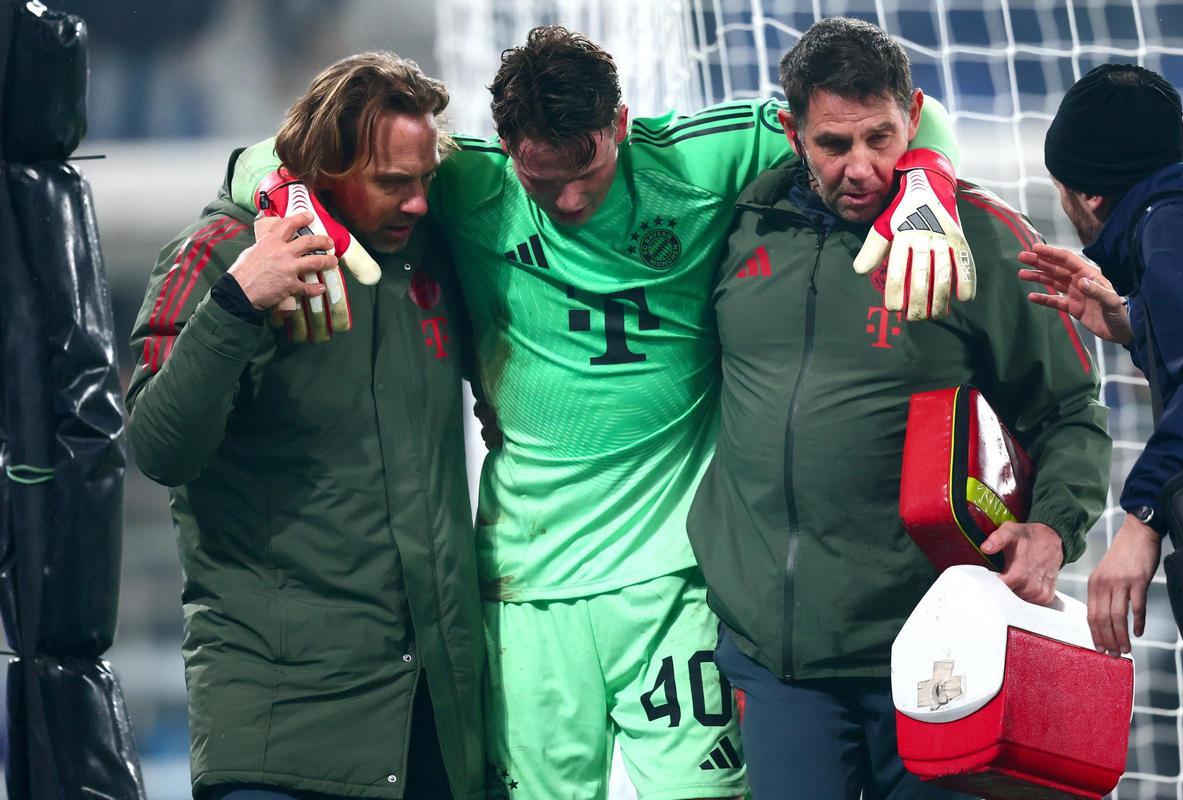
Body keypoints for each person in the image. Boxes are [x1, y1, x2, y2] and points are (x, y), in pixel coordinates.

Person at [228, 26, 966, 799]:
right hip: (526, 581)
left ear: (619, 124)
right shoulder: (468, 182)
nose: (571, 199)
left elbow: (913, 116)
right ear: (507, 149)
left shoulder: (699, 159)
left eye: (587, 171)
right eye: (544, 181)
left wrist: (927, 179)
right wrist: (289, 192)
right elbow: (263, 159)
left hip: (675, 578)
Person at [686, 17, 1112, 799]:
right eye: (833, 144)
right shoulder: (738, 226)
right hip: (776, 662)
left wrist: (1054, 529)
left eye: (882, 138)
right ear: (791, 132)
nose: (862, 168)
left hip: (935, 651)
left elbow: (1071, 411)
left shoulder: (978, 238)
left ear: (914, 117)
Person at [126, 53, 485, 800]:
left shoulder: (428, 249)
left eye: (425, 180)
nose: (419, 202)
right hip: (277, 735)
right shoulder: (219, 253)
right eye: (394, 183)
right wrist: (237, 303)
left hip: (430, 727)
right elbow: (159, 447)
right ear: (325, 168)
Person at [1017, 64, 1183, 662]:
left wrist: (1142, 522)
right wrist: (1132, 326)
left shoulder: (1167, 229)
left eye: (1061, 185)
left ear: (1090, 194)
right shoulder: (1179, 220)